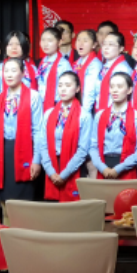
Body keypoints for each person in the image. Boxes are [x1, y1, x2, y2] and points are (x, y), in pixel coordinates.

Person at [0, 58, 45, 224]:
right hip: (2, 152)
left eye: (13, 70)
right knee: (5, 201)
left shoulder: (33, 96)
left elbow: (38, 130)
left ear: (23, 73)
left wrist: (37, 160)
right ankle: (7, 234)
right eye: (6, 71)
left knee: (23, 204)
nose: (9, 74)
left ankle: (23, 236)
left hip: (25, 151)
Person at [41, 72, 93, 202]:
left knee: (72, 210)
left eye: (68, 85)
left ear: (77, 88)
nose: (63, 89)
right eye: (60, 85)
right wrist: (51, 172)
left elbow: (83, 150)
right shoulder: (49, 114)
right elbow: (43, 145)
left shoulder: (84, 116)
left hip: (73, 168)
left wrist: (64, 174)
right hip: (52, 167)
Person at [89, 73, 137, 180]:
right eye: (112, 87)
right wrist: (103, 168)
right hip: (103, 166)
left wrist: (119, 169)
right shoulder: (100, 116)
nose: (114, 90)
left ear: (129, 90)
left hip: (126, 168)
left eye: (119, 87)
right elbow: (93, 147)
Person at [92, 32, 134, 112]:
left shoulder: (123, 69)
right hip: (99, 110)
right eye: (104, 44)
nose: (106, 48)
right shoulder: (105, 66)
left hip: (115, 112)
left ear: (121, 48)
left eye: (111, 44)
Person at [36, 27, 73, 113]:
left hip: (57, 106)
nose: (45, 44)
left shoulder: (63, 64)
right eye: (43, 40)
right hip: (40, 105)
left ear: (59, 42)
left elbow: (68, 88)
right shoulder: (42, 62)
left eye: (50, 40)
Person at [72, 29, 102, 115]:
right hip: (76, 106)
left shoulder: (95, 64)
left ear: (94, 44)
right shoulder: (77, 63)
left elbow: (89, 92)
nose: (80, 43)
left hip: (88, 108)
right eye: (78, 40)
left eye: (85, 41)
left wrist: (83, 113)